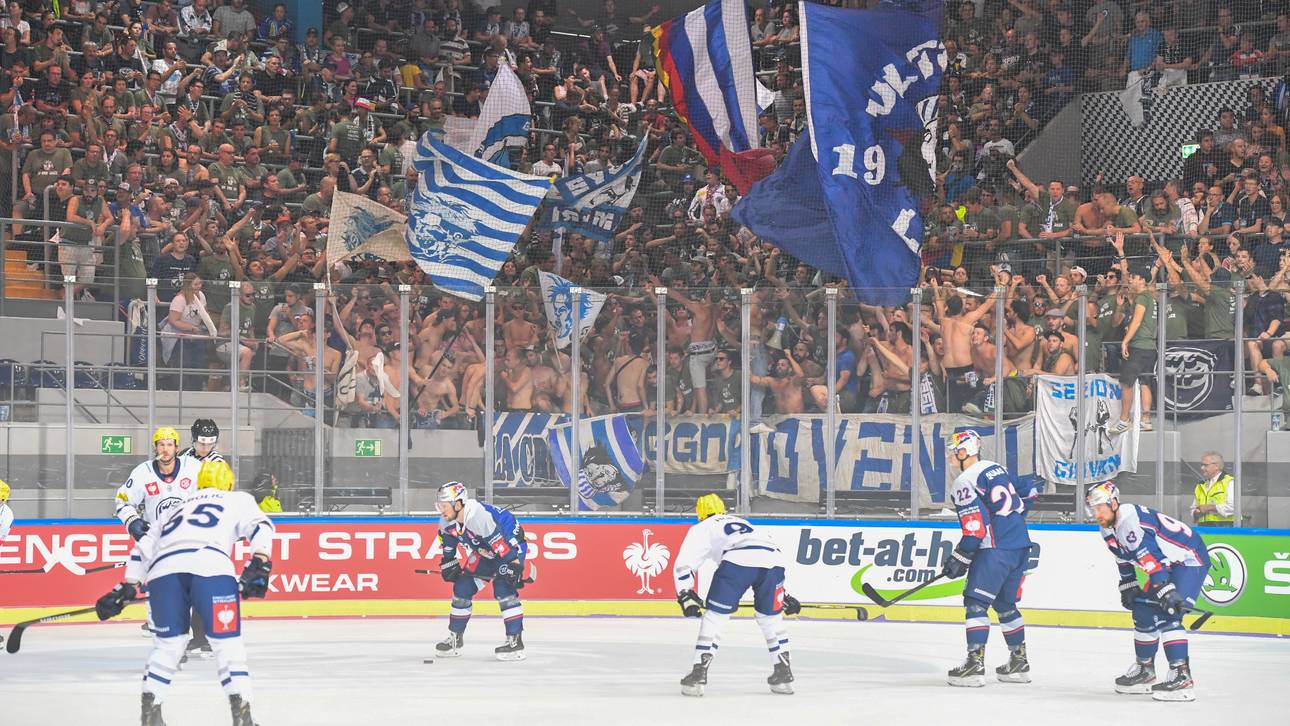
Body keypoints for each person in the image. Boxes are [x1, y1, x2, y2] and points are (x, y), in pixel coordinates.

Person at [95, 459, 275, 726]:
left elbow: (143, 546)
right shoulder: (237, 499)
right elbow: (262, 528)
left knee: (168, 646)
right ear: (228, 483)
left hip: (163, 572)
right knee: (227, 646)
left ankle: (151, 714)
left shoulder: (177, 507)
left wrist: (128, 586)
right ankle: (243, 716)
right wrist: (260, 561)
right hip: (211, 567)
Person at [1085, 481, 1211, 701]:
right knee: (1142, 611)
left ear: (1114, 503)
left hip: (1188, 558)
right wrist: (1128, 582)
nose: (1096, 513)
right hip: (1166, 563)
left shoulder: (1130, 522)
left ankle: (1182, 675)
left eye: (1100, 508)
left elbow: (1151, 558)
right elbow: (1123, 556)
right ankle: (1145, 671)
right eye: (1093, 509)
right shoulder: (1106, 526)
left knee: (1168, 614)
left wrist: (1164, 588)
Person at [673, 493, 798, 697]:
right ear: (723, 509)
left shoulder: (703, 526)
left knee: (715, 617)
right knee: (771, 618)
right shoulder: (744, 523)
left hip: (737, 562)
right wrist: (783, 595)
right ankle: (783, 673)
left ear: (700, 513)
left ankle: (698, 673)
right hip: (775, 562)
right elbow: (764, 555)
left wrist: (685, 592)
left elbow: (686, 562)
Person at [942, 430, 1036, 688]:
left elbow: (975, 529)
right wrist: (1011, 517)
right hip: (1020, 543)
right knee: (1005, 604)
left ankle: (974, 665)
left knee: (975, 602)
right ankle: (1019, 663)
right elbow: (1030, 490)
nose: (951, 454)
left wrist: (960, 555)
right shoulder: (995, 468)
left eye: (954, 450)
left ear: (965, 451)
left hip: (995, 548)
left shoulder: (964, 481)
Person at [433, 481, 528, 660]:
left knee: (504, 588)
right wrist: (448, 563)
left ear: (458, 504)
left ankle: (515, 642)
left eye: (445, 505)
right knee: (462, 588)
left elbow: (502, 546)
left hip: (510, 547)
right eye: (440, 505)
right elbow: (449, 545)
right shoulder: (446, 521)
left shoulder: (478, 516)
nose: (441, 510)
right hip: (486, 551)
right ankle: (455, 639)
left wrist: (515, 567)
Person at [1189, 452, 1235, 527]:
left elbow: (1233, 507)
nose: (1202, 468)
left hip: (1225, 528)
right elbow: (1193, 508)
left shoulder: (1229, 482)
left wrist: (1210, 507)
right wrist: (1196, 513)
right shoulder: (1201, 485)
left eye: (1205, 465)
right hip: (1204, 528)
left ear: (1216, 466)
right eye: (1202, 465)